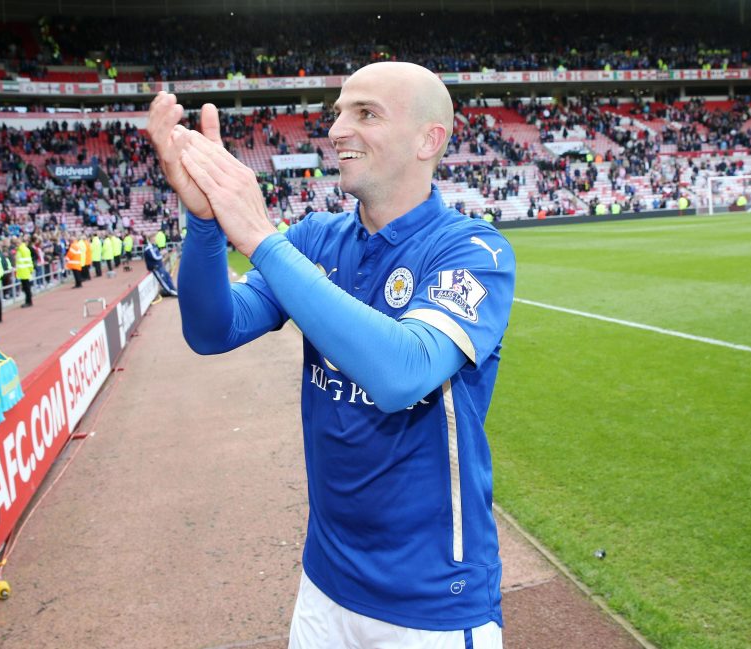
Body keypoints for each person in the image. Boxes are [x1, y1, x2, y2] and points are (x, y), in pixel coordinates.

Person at [148, 61, 514, 649]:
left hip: (430, 601)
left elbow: (403, 373)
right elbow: (212, 330)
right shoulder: (318, 238)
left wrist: (261, 238)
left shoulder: (472, 251)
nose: (337, 128)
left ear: (430, 140)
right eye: (339, 111)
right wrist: (205, 223)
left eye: (365, 113)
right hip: (324, 584)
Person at [142, 233, 177, 297]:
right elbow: (155, 257)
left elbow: (158, 255)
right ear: (151, 239)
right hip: (155, 267)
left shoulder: (154, 246)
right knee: (163, 280)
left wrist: (162, 254)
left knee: (167, 276)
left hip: (160, 266)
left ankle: (173, 289)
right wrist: (162, 254)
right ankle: (171, 292)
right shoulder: (149, 248)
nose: (155, 239)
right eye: (154, 237)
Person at [14, 236, 34, 308]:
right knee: (25, 288)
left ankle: (29, 301)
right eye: (16, 242)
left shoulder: (23, 250)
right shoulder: (20, 250)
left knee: (27, 287)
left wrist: (30, 270)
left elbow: (28, 261)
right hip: (22, 272)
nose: (16, 244)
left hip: (25, 271)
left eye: (18, 242)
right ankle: (28, 301)